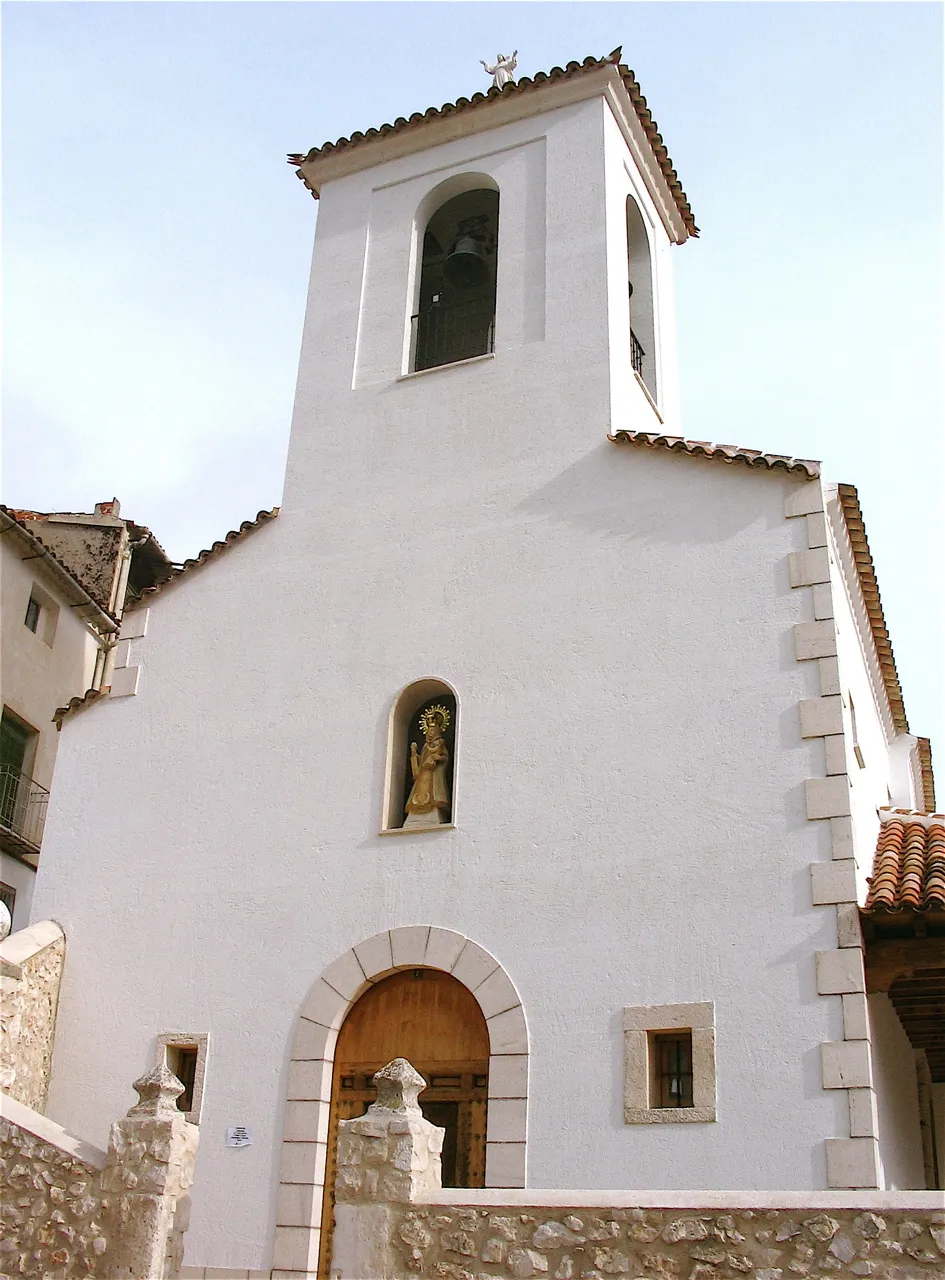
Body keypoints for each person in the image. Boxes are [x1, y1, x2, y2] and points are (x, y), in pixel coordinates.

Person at [405, 706, 450, 821]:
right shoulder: (426, 745)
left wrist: (437, 757)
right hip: (423, 773)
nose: (430, 733)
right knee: (419, 792)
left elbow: (445, 757)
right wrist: (414, 753)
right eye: (429, 731)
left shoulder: (440, 743)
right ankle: (416, 813)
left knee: (433, 792)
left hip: (433, 774)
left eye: (432, 731)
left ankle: (434, 810)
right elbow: (422, 760)